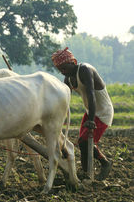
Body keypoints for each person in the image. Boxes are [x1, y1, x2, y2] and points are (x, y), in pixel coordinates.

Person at [51, 47, 113, 180]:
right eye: (60, 69)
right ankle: (86, 172)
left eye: (64, 68)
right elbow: (65, 101)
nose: (63, 71)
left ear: (73, 62)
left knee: (85, 142)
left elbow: (91, 95)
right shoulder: (68, 79)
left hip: (102, 112)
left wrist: (91, 119)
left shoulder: (85, 69)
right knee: (82, 142)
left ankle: (105, 163)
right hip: (90, 111)